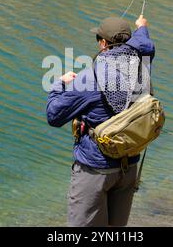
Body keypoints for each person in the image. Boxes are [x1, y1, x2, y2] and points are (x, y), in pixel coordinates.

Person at [46, 15, 155, 227]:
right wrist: (142, 27)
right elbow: (144, 43)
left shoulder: (91, 78)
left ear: (103, 43)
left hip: (95, 170)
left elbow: (54, 116)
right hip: (128, 167)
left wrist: (59, 84)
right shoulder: (142, 66)